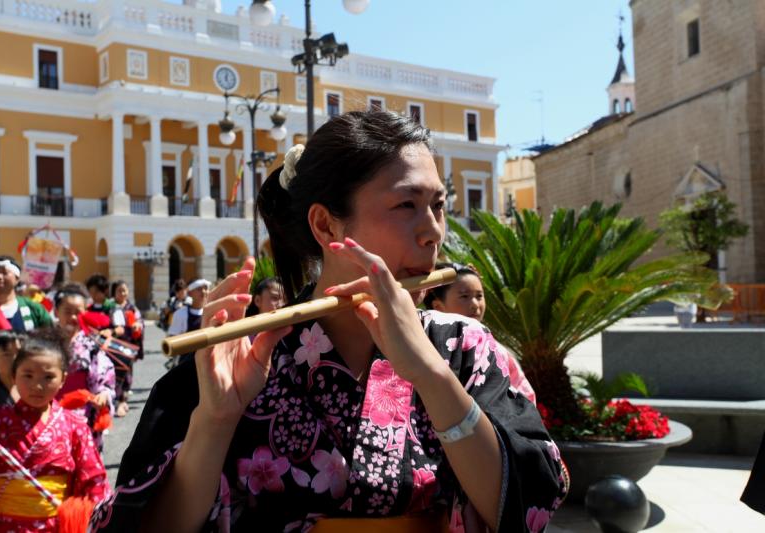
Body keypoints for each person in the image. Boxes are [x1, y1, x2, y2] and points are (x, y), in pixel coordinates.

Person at [91, 111, 566, 532]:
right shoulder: (241, 360)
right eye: (407, 205)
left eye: (438, 205)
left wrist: (431, 374)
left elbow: (529, 504)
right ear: (326, 226)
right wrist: (215, 420)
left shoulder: (465, 349)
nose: (433, 231)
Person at [0, 328, 110, 530]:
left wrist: (86, 518)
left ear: (63, 379)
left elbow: (94, 481)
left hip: (54, 526)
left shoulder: (75, 425)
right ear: (14, 376)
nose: (37, 386)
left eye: (48, 377)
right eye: (28, 375)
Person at [423, 262, 537, 404]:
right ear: (438, 306)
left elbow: (523, 396)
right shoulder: (423, 346)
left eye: (479, 296)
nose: (475, 304)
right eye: (464, 296)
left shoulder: (496, 350)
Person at [0, 256, 53, 393]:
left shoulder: (35, 310)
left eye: (4, 272)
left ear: (17, 278)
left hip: (29, 389)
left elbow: (51, 343)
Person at [53, 283, 116, 450]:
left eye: (78, 312)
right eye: (67, 311)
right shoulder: (43, 343)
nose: (73, 317)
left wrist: (103, 393)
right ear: (56, 312)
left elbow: (104, 374)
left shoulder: (92, 346)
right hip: (49, 412)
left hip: (83, 415)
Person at [110, 280, 143, 417]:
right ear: (114, 293)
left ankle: (123, 399)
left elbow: (140, 322)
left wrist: (138, 326)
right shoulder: (110, 308)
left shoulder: (132, 308)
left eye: (124, 290)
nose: (123, 293)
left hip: (129, 345)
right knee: (115, 373)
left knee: (127, 373)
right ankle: (117, 400)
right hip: (114, 346)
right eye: (119, 290)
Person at [167, 278, 210, 367]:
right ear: (190, 293)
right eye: (198, 289)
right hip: (187, 364)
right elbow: (172, 340)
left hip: (208, 363)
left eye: (205, 288)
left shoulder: (212, 312)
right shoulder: (180, 314)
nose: (203, 292)